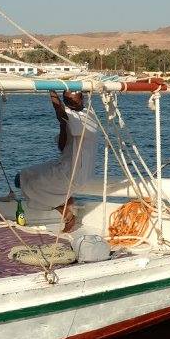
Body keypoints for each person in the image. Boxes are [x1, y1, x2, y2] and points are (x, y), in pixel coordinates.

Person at [16, 89, 99, 232]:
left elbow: (58, 108)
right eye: (67, 100)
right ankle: (65, 202)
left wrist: (51, 88)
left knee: (29, 185)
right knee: (21, 177)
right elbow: (62, 146)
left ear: (82, 98)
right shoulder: (72, 117)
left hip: (73, 173)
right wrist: (62, 124)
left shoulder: (85, 116)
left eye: (73, 99)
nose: (70, 103)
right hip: (66, 166)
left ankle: (65, 211)